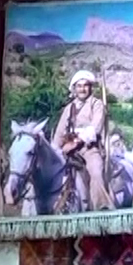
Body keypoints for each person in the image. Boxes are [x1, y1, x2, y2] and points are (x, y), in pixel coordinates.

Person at [50, 69, 111, 212]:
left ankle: (101, 208)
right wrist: (56, 149)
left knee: (96, 171)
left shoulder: (96, 104)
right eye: (79, 86)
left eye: (86, 85)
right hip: (67, 149)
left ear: (90, 87)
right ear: (74, 89)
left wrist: (76, 142)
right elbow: (59, 132)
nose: (82, 89)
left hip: (89, 148)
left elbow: (95, 128)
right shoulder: (68, 108)